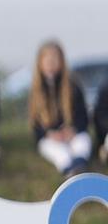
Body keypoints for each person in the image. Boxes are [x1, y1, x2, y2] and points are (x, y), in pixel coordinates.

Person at [27, 38, 92, 178]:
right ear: (40, 63)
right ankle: (68, 169)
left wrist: (72, 130)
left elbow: (83, 117)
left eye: (55, 58)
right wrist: (50, 134)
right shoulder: (36, 91)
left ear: (62, 61)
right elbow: (36, 126)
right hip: (51, 138)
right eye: (47, 59)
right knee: (55, 150)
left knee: (82, 141)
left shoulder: (73, 86)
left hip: (72, 133)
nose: (51, 62)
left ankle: (79, 164)